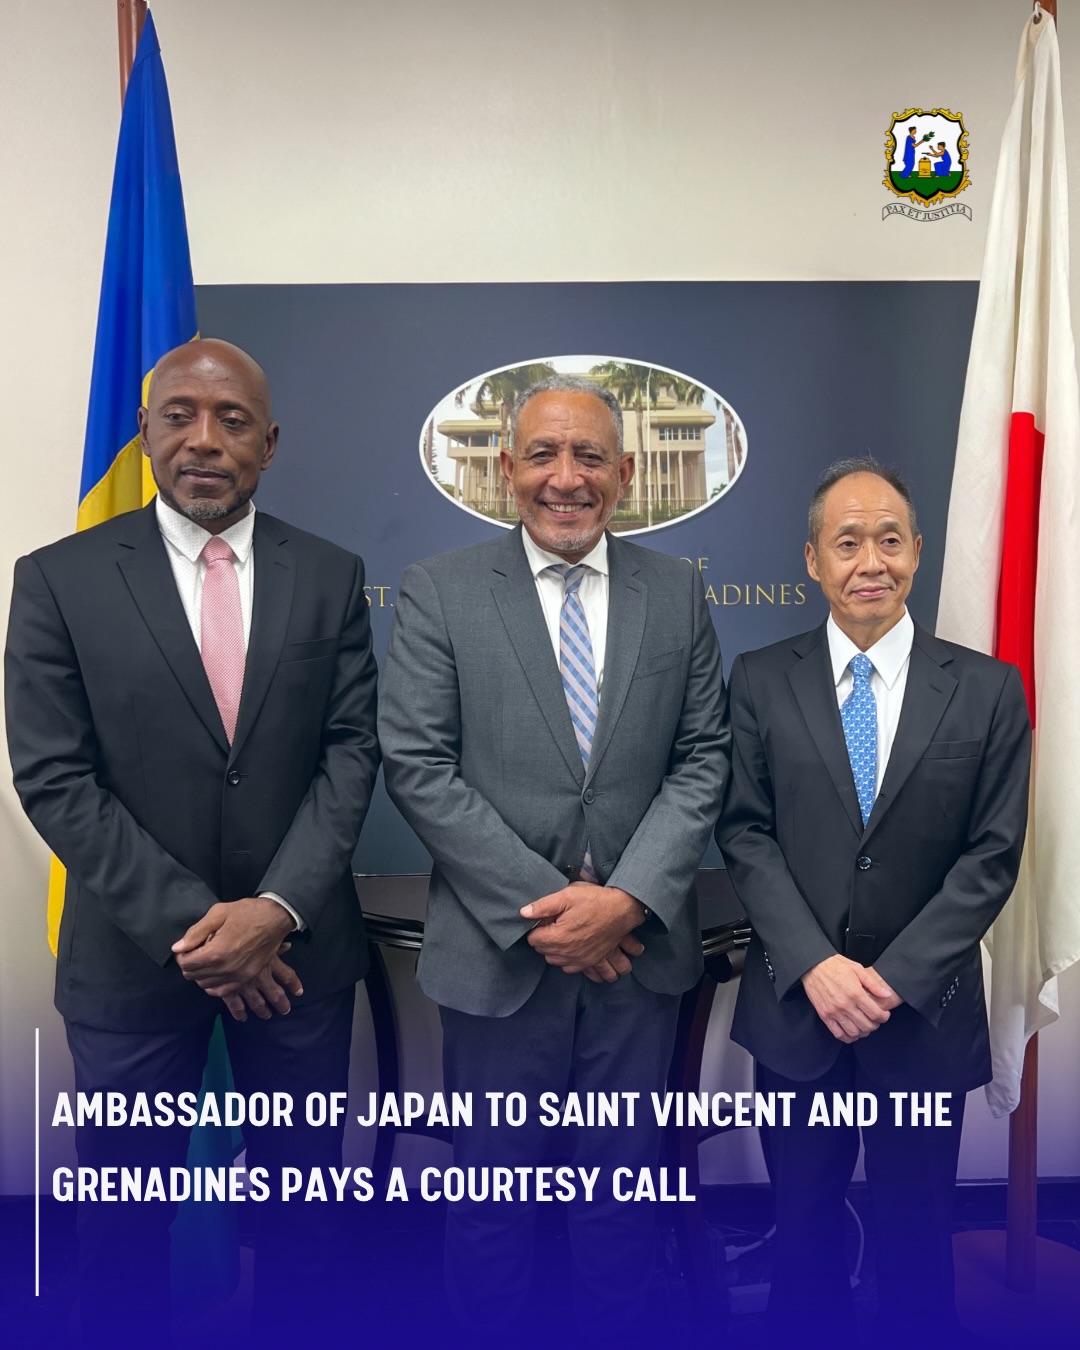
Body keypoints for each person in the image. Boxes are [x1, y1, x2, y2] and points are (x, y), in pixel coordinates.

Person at [5, 339, 380, 1347]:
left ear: (270, 443)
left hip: (297, 960)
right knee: (122, 1227)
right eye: (179, 416)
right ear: (145, 432)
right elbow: (54, 776)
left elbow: (352, 755)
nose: (203, 439)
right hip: (131, 965)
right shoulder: (57, 580)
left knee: (304, 1217)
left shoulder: (331, 575)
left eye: (231, 420)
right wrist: (202, 927)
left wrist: (275, 912)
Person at [378, 374, 729, 1341]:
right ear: (507, 470)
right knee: (492, 1207)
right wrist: (556, 909)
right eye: (542, 454)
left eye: (588, 457)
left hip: (638, 961)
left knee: (620, 1207)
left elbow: (704, 756)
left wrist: (627, 901)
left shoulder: (677, 591)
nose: (565, 478)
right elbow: (417, 764)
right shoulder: (440, 590)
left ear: (625, 472)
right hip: (500, 960)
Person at [717, 458, 1030, 1345]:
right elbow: (744, 833)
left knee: (918, 1248)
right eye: (847, 542)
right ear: (812, 559)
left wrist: (892, 979)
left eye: (889, 540)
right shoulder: (760, 679)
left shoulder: (987, 688)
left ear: (917, 552)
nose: (870, 562)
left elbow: (991, 856)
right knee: (803, 1243)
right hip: (797, 1011)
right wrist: (816, 965)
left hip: (922, 1016)